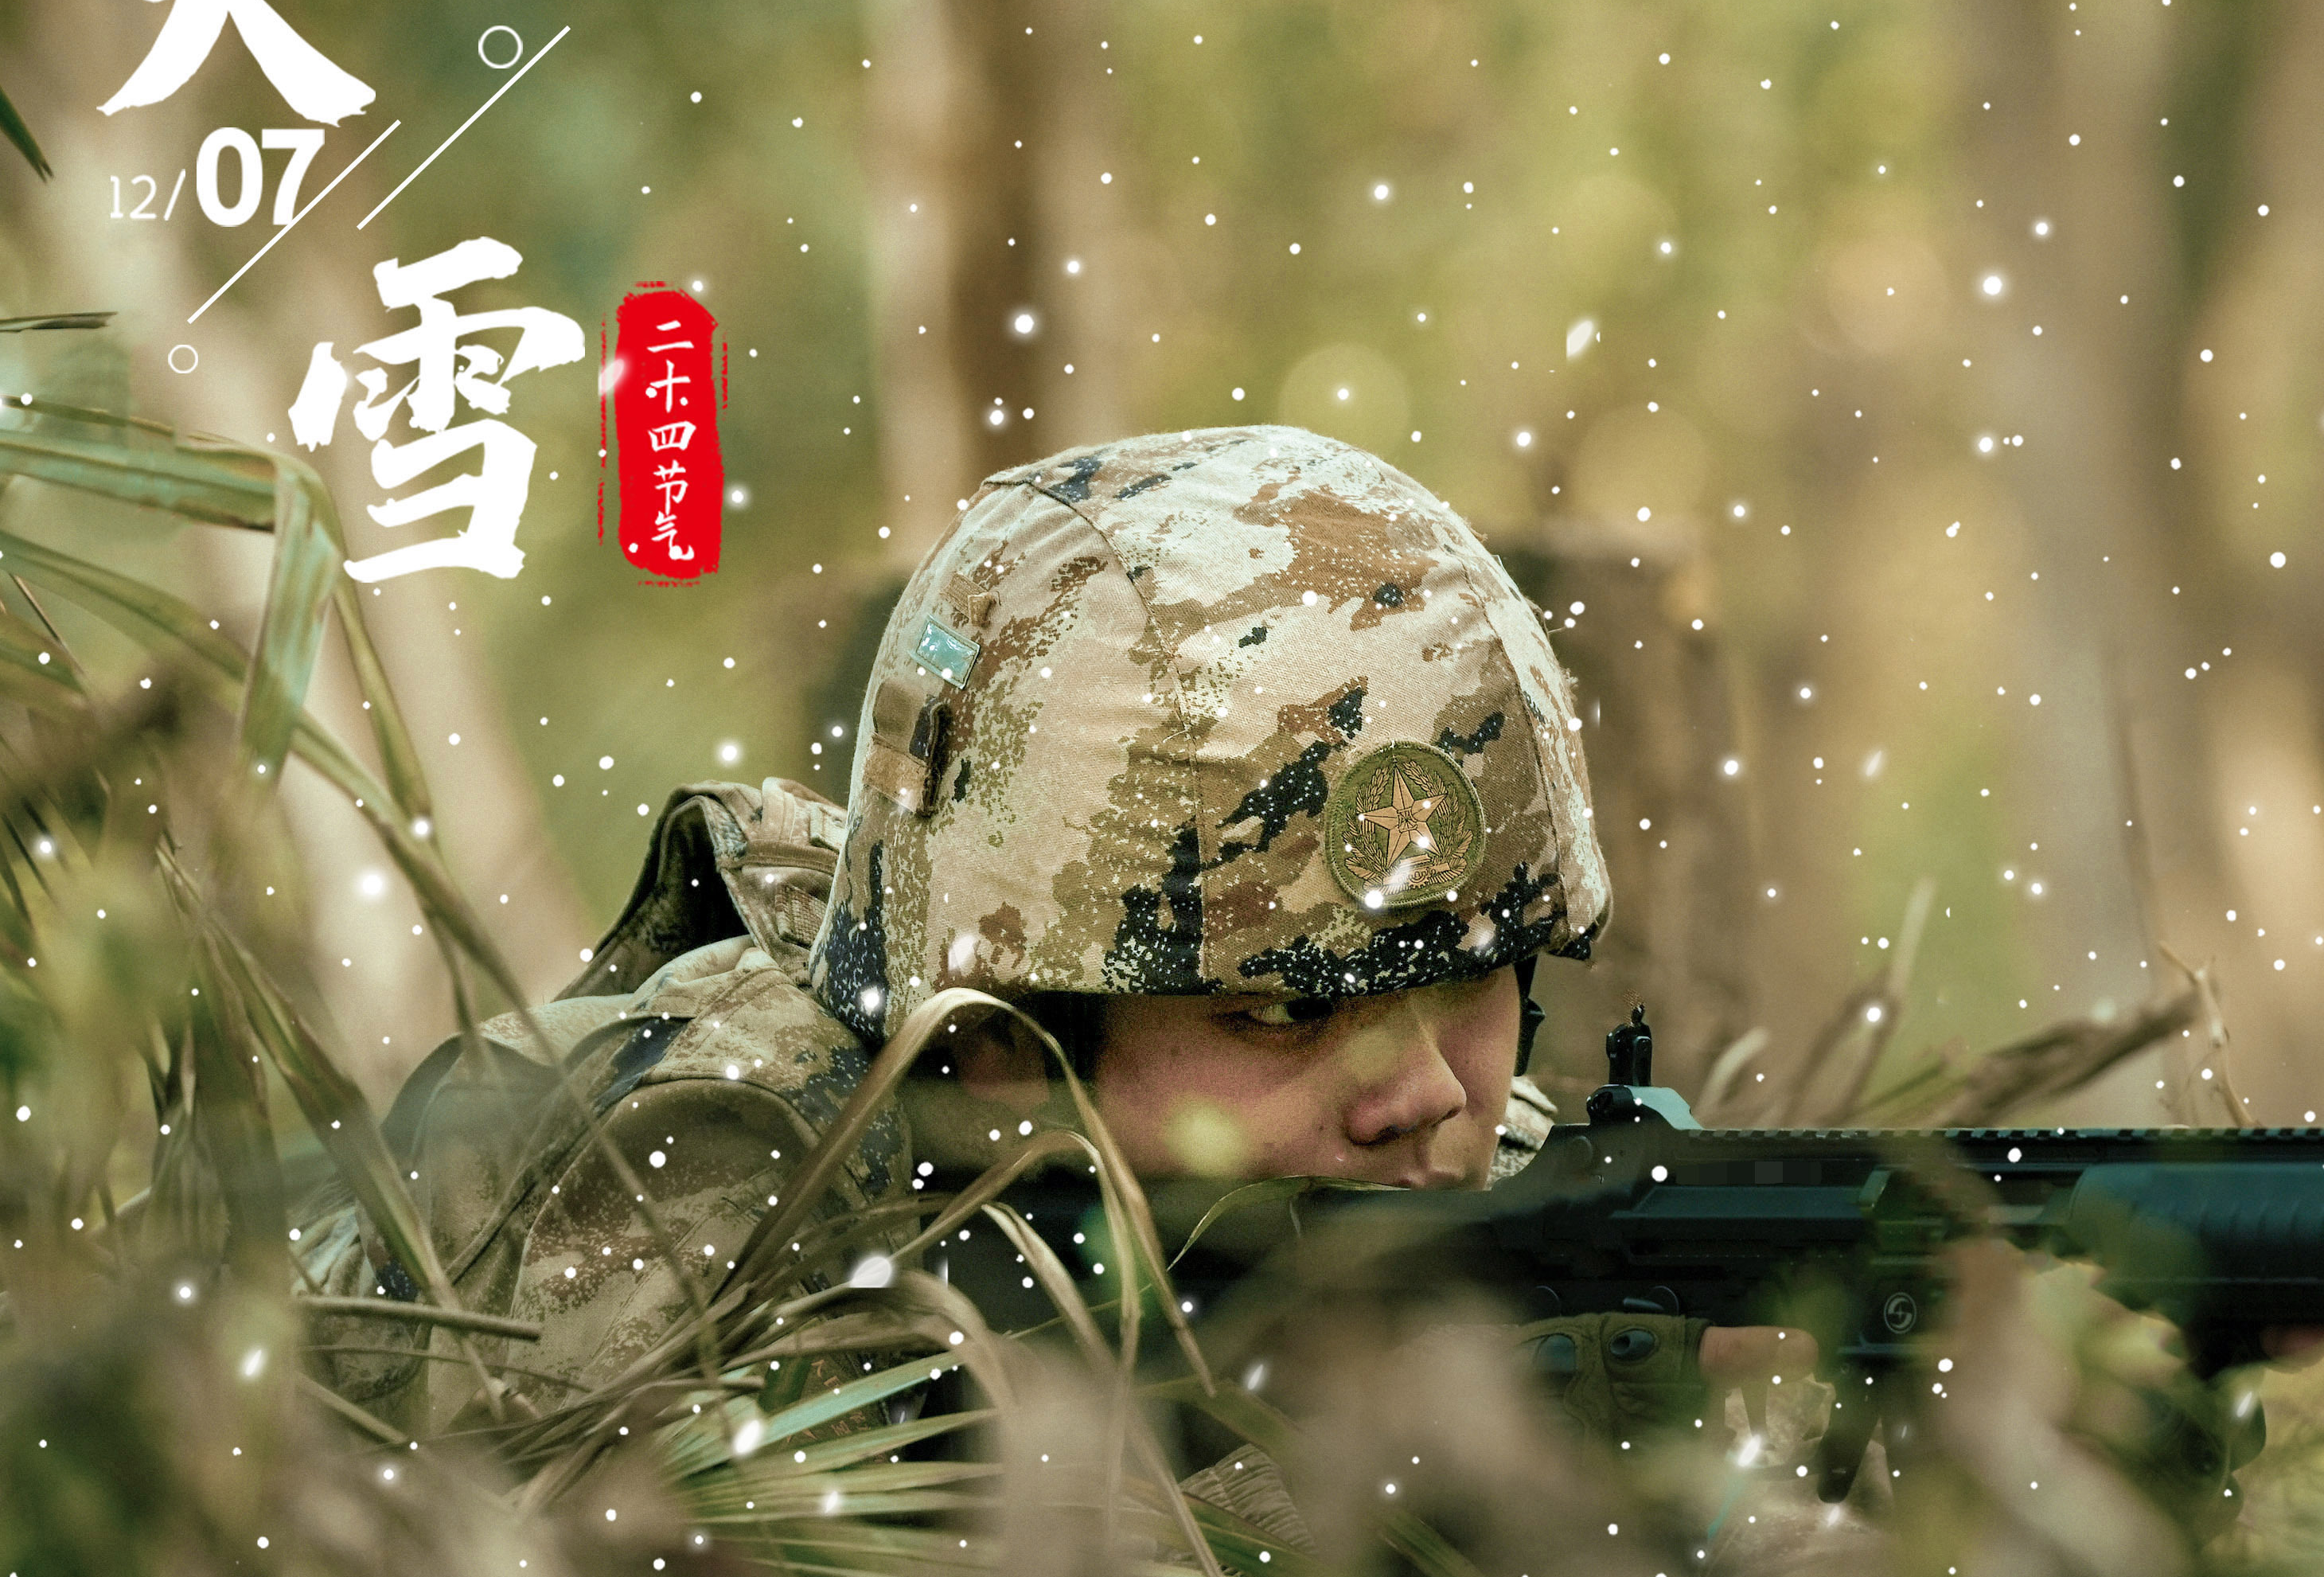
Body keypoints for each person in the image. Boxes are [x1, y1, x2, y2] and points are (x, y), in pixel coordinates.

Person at [300, 426, 1784, 1491]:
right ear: (992, 1042)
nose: (1426, 1097)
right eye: (1277, 1011)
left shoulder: (1463, 1185)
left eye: (1469, 979)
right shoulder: (690, 1189)